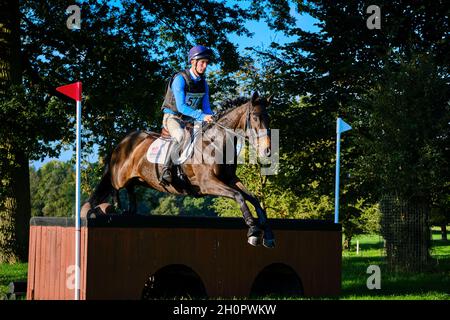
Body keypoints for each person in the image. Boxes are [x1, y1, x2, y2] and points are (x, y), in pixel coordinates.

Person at [160, 45, 215, 184]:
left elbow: (206, 107)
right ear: (193, 62)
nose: (204, 66)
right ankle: (166, 170)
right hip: (173, 117)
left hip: (191, 119)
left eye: (206, 63)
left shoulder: (204, 84)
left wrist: (212, 118)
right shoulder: (180, 79)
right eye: (202, 62)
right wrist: (202, 116)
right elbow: (182, 107)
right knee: (181, 136)